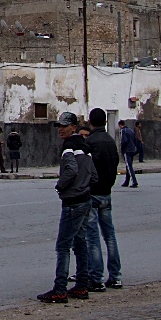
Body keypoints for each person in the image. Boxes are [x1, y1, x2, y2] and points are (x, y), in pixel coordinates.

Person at [37, 111, 98, 303]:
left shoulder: (68, 147)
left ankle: (60, 289)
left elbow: (71, 169)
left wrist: (61, 185)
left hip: (72, 202)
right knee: (80, 243)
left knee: (63, 246)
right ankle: (81, 285)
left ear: (74, 127)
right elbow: (94, 175)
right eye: (59, 126)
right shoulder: (85, 147)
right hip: (85, 199)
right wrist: (85, 185)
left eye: (64, 126)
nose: (60, 130)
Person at [84, 109, 123, 291]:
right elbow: (114, 162)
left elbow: (88, 168)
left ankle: (97, 278)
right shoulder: (110, 140)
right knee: (110, 235)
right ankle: (115, 276)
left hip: (93, 192)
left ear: (90, 122)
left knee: (92, 237)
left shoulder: (90, 142)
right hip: (107, 191)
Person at [118, 120, 138, 188]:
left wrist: (122, 149)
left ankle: (134, 181)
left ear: (120, 125)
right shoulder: (130, 130)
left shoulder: (123, 131)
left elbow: (124, 141)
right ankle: (126, 181)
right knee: (128, 165)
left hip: (127, 150)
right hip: (132, 149)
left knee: (129, 166)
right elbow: (135, 139)